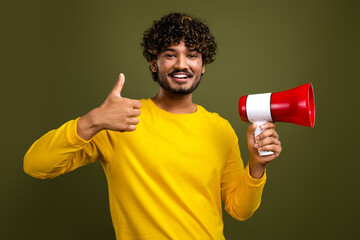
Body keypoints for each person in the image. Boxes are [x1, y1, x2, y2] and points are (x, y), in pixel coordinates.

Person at [24, 12, 282, 240]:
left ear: (203, 66)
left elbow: (240, 209)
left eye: (192, 55)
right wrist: (93, 120)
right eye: (170, 55)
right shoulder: (119, 120)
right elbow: (36, 165)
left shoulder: (221, 129)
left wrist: (257, 166)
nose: (181, 64)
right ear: (153, 63)